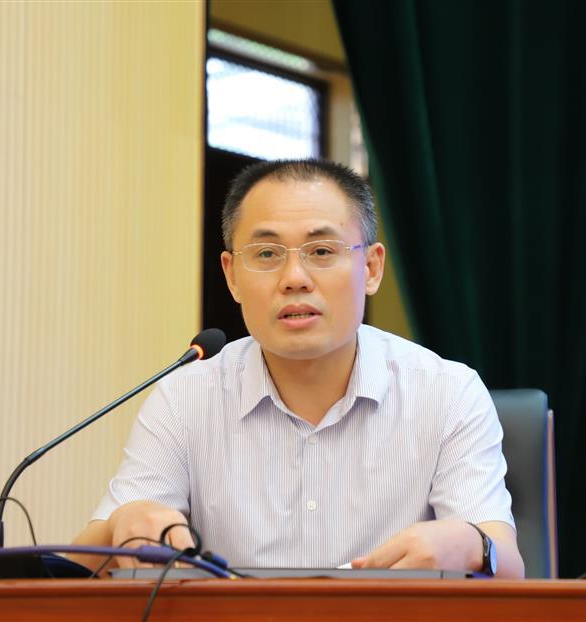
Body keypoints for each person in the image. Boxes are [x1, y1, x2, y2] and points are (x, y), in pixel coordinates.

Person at [72, 159, 524, 578]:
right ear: (231, 275)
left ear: (371, 268)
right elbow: (79, 568)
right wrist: (120, 525)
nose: (294, 278)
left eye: (321, 251)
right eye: (267, 254)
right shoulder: (184, 398)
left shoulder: (447, 392)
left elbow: (509, 568)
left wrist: (475, 545)